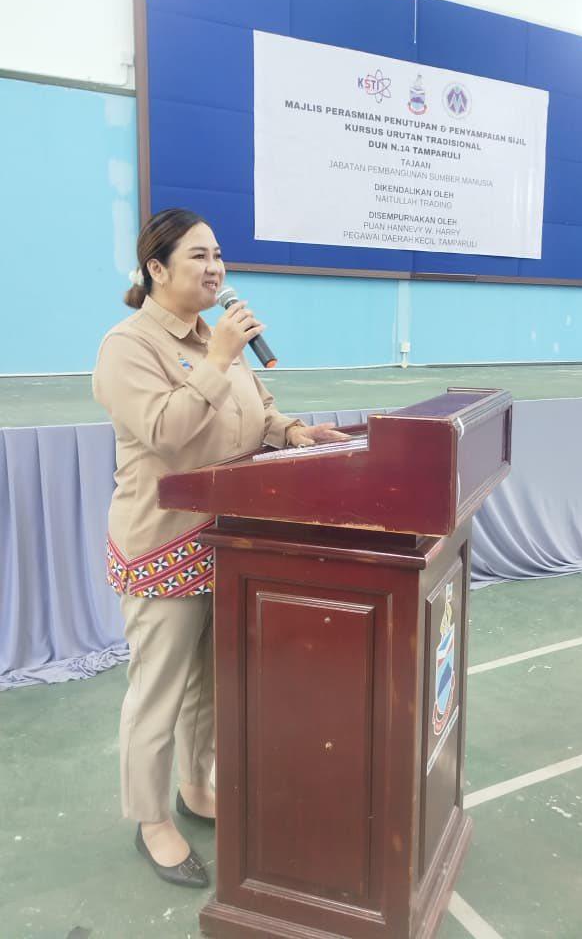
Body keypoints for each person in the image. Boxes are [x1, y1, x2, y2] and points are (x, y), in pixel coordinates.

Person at [93, 208, 347, 887]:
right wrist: (217, 360)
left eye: (219, 255)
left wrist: (294, 433)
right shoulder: (128, 346)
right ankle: (151, 821)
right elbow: (166, 432)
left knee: (210, 682)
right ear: (156, 268)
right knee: (159, 690)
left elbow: (257, 411)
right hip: (163, 542)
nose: (216, 269)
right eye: (199, 256)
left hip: (230, 540)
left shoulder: (216, 337)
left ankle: (195, 786)